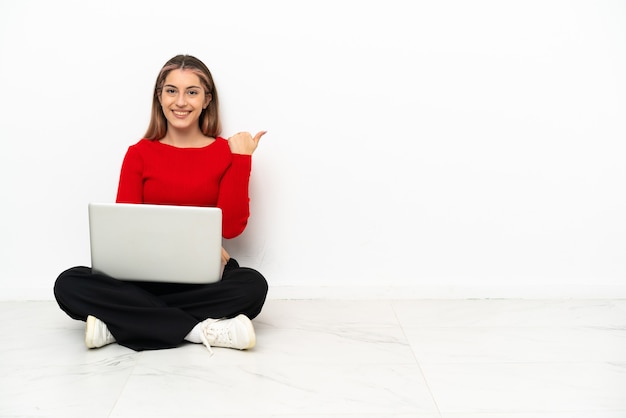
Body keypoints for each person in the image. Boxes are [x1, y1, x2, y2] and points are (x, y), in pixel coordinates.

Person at [53, 54, 268, 354]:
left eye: (192, 92)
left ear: (207, 100)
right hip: (143, 279)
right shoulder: (139, 154)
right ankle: (198, 330)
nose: (181, 102)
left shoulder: (225, 151)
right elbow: (124, 230)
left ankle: (118, 324)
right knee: (68, 283)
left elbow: (231, 228)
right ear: (159, 97)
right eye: (171, 90)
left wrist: (242, 158)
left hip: (202, 279)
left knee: (253, 286)